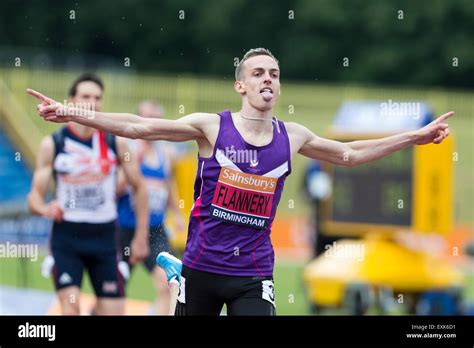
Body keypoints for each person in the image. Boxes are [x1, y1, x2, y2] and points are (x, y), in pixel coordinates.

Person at [27, 48, 454, 315]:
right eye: (259, 73)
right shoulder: (211, 128)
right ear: (241, 85)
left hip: (253, 275)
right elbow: (139, 126)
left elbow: (350, 154)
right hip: (199, 273)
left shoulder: (293, 137)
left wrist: (415, 137)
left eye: (274, 73)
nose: (268, 78)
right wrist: (73, 113)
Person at [28, 73, 149, 315]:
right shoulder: (54, 144)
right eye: (85, 96)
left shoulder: (116, 142)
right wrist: (45, 209)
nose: (91, 102)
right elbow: (34, 199)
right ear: (70, 101)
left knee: (113, 312)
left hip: (104, 236)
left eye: (97, 97)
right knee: (70, 308)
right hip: (67, 237)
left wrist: (141, 237)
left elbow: (140, 187)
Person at [117, 100, 185, 315]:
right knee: (113, 290)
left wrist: (177, 213)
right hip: (124, 229)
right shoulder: (126, 149)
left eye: (155, 120)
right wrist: (133, 165)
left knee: (168, 281)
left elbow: (168, 185)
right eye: (146, 118)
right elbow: (116, 190)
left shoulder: (166, 154)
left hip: (155, 230)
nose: (150, 125)